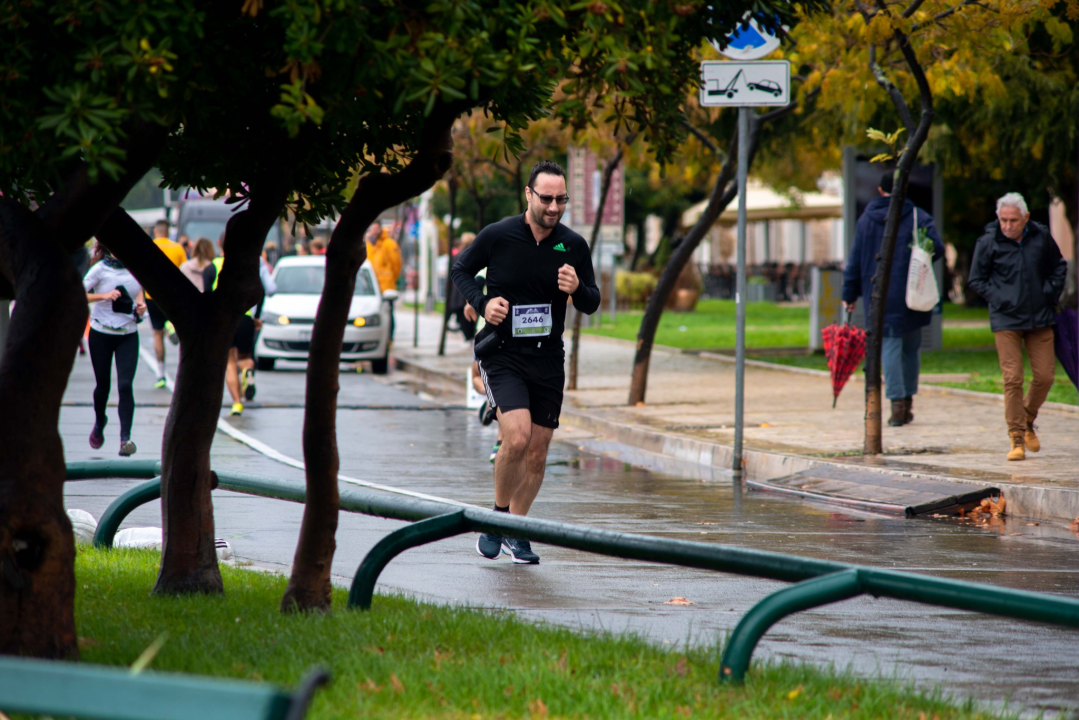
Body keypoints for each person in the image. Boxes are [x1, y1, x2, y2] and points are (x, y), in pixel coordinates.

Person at [450, 160, 600, 564]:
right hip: (503, 353)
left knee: (537, 451)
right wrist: (482, 303)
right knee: (516, 437)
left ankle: (518, 530)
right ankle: (497, 518)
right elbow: (460, 268)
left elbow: (592, 300)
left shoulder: (572, 244)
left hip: (548, 358)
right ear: (529, 195)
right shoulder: (498, 236)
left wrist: (577, 288)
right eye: (547, 198)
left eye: (561, 199)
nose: (554, 207)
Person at [968, 192, 1068, 461]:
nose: (1008, 226)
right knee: (1012, 378)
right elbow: (976, 279)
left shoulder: (1041, 237)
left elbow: (1059, 266)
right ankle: (1016, 437)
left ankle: (1026, 419)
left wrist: (1049, 292)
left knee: (1045, 376)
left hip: (1040, 317)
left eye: (1013, 220)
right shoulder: (989, 241)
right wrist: (1001, 298)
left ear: (1026, 218)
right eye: (1003, 220)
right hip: (1006, 319)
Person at [842, 172, 944, 427]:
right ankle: (907, 400)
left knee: (889, 344)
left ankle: (896, 404)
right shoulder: (918, 216)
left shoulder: (866, 219)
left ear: (879, 190)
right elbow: (937, 247)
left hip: (879, 294)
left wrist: (849, 294)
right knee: (911, 347)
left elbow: (855, 258)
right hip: (912, 291)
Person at [83, 243, 147, 456]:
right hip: (101, 334)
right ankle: (100, 421)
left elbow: (140, 299)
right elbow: (79, 293)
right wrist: (104, 296)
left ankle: (125, 439)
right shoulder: (100, 269)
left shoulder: (136, 269)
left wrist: (142, 309)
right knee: (103, 386)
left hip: (127, 335)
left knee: (125, 385)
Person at [204, 236, 277, 415]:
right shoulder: (247, 267)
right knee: (244, 357)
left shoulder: (211, 267)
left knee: (229, 362)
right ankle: (247, 373)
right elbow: (260, 291)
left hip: (223, 320)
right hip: (244, 318)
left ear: (219, 244)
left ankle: (237, 403)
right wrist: (256, 316)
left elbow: (207, 296)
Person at [146, 219, 187, 387]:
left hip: (152, 295)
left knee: (157, 334)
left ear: (156, 232)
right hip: (173, 295)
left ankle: (161, 374)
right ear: (168, 232)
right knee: (177, 324)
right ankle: (171, 325)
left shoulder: (148, 247)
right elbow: (185, 270)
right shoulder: (177, 248)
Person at [367, 221, 403, 342]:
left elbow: (396, 265)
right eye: (372, 229)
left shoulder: (389, 244)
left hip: (386, 286)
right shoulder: (369, 244)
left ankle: (389, 337)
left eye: (376, 229)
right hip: (371, 286)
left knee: (388, 313)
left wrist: (391, 279)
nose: (374, 231)